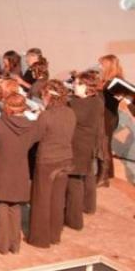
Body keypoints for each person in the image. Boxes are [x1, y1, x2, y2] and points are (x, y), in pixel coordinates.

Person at [0, 93, 37, 254]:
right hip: (20, 170)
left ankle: (2, 245)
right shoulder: (32, 126)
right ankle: (15, 245)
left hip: (1, 170)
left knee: (1, 207)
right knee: (15, 207)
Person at [29, 80, 75, 248]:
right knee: (57, 199)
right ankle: (55, 235)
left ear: (48, 96)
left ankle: (40, 239)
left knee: (42, 199)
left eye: (43, 96)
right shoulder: (70, 112)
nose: (42, 99)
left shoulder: (46, 116)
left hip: (47, 161)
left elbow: (35, 137)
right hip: (66, 159)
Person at [66, 71, 105, 229]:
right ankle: (89, 206)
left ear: (87, 87)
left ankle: (74, 220)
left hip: (78, 146)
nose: (74, 86)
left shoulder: (78, 104)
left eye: (77, 84)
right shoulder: (97, 100)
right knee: (87, 175)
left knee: (74, 182)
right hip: (89, 145)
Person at [98, 54, 123, 185]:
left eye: (102, 64)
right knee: (103, 145)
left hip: (109, 117)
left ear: (108, 65)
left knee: (104, 146)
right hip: (104, 115)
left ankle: (104, 177)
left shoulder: (115, 81)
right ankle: (107, 173)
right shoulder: (107, 80)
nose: (99, 67)